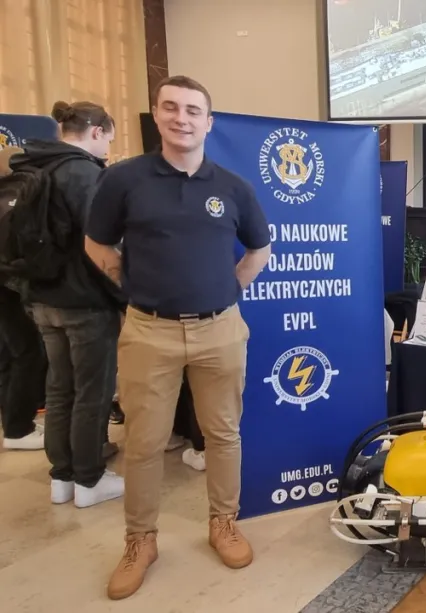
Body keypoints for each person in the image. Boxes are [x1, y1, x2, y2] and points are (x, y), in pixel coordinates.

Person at [84, 75, 271, 600]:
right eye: (171, 108)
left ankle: (224, 522)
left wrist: (226, 290)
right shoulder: (124, 179)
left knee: (223, 434)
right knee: (143, 443)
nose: (181, 118)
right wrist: (131, 286)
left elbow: (259, 249)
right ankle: (140, 541)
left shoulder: (233, 187)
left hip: (220, 329)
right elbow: (96, 245)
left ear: (208, 123)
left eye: (193, 110)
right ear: (157, 115)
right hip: (150, 331)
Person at [10, 101, 127, 506]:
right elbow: (103, 241)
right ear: (97, 131)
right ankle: (89, 479)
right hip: (85, 301)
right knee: (92, 391)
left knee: (60, 388)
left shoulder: (33, 166)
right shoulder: (83, 173)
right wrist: (124, 292)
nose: (108, 149)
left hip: (42, 297)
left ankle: (62, 476)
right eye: (108, 139)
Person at [0, 147, 48, 451]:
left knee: (10, 354)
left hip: (4, 284)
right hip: (13, 285)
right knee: (28, 353)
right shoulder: (24, 192)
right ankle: (18, 429)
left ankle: (13, 422)